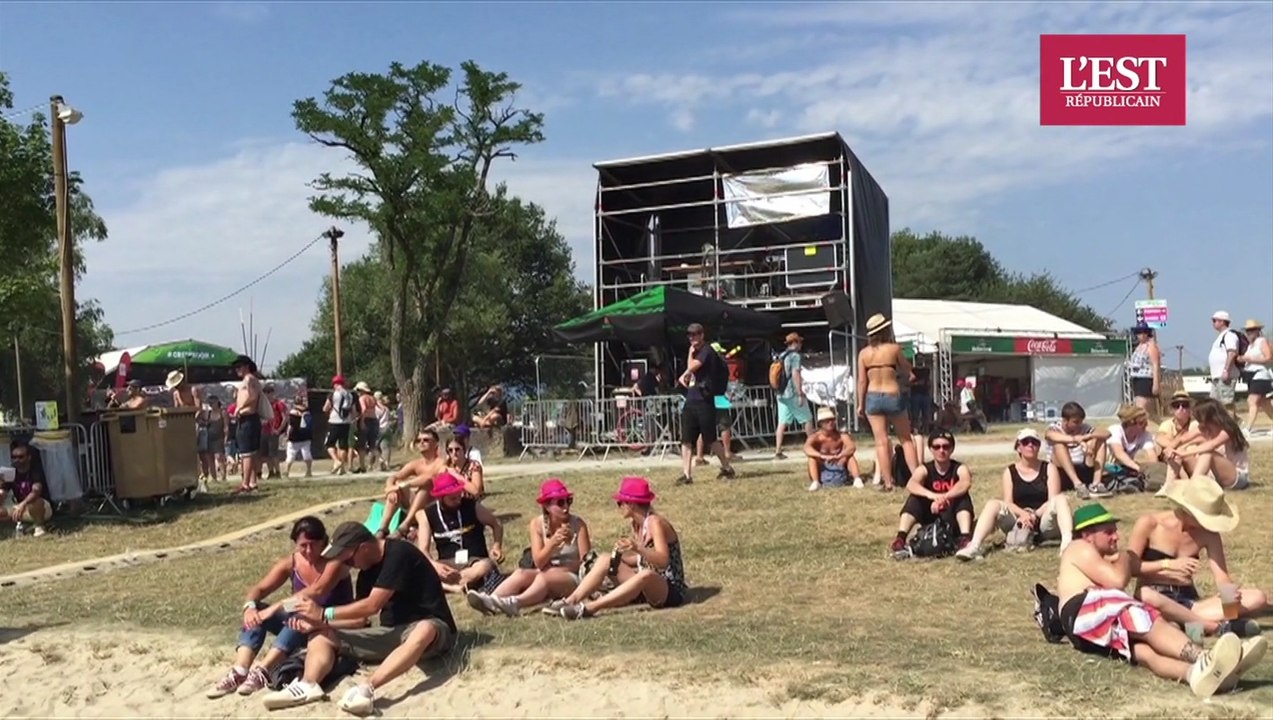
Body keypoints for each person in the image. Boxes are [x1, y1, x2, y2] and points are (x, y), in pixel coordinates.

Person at [1055, 503, 1255, 698]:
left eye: (1115, 530)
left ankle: (1194, 674)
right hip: (1095, 608)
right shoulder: (1080, 547)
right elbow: (1117, 580)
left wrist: (1231, 606)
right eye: (1109, 532)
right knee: (1149, 621)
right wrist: (1130, 556)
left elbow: (1222, 578)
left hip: (1088, 628)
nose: (1116, 536)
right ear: (1086, 535)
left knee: (1143, 653)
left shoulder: (1209, 534)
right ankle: (1206, 654)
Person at [260, 522, 458, 715]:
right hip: (394, 634)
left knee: (423, 629)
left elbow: (373, 604)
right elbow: (361, 619)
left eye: (347, 560)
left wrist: (322, 613)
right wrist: (318, 623)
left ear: (362, 548)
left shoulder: (398, 553)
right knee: (321, 635)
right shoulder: (367, 572)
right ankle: (308, 684)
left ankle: (367, 688)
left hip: (433, 628)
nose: (348, 566)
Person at [207, 517, 354, 698]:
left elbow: (317, 590)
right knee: (260, 611)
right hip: (299, 628)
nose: (308, 550)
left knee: (300, 612)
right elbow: (259, 588)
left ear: (324, 541)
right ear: (295, 544)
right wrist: (250, 607)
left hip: (329, 626)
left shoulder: (335, 563)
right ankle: (240, 670)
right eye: (303, 545)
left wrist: (276, 607)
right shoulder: (291, 563)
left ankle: (264, 669)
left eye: (314, 544)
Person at [1129, 478, 1266, 634]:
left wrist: (1229, 598)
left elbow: (1221, 575)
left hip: (1190, 601)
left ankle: (1188, 622)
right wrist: (1167, 565)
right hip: (1156, 595)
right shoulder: (1150, 523)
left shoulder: (1208, 534)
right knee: (1147, 596)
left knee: (1257, 598)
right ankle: (1208, 626)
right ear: (1187, 510)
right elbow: (1131, 567)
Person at [549, 477, 687, 620]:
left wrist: (637, 547)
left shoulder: (655, 523)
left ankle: (590, 608)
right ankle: (571, 600)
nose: (619, 506)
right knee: (605, 559)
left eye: (620, 503)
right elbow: (644, 559)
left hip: (669, 590)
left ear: (631, 504)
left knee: (645, 574)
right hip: (646, 583)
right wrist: (622, 560)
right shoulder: (637, 524)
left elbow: (663, 561)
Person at [467, 478, 593, 617]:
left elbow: (586, 565)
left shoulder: (578, 524)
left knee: (545, 578)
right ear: (547, 506)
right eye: (560, 502)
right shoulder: (537, 524)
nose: (566, 507)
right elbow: (538, 561)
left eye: (568, 501)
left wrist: (558, 569)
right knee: (521, 573)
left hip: (572, 578)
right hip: (545, 571)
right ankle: (489, 600)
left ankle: (514, 603)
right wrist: (551, 545)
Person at [956, 429, 1073, 561]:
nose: (1030, 445)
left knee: (1061, 499)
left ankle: (1067, 545)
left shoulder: (1049, 468)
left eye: (1034, 442)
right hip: (1017, 522)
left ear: (1039, 446)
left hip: (1043, 522)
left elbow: (1052, 500)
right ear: (1018, 447)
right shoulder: (1010, 471)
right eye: (1026, 442)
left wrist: (1033, 515)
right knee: (993, 504)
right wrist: (1023, 515)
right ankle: (974, 546)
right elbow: (1009, 502)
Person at [416, 470, 505, 594]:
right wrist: (435, 565)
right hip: (447, 564)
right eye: (452, 498)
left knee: (486, 566)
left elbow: (496, 524)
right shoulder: (427, 514)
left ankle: (447, 585)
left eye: (459, 495)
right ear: (441, 497)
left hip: (474, 561)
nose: (458, 500)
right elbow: (423, 550)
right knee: (419, 571)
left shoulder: (472, 506)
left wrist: (496, 546)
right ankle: (460, 586)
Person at [856, 313, 918, 492]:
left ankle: (888, 482)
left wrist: (861, 404)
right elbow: (907, 368)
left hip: (873, 396)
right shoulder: (894, 349)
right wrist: (910, 374)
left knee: (881, 442)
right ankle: (916, 478)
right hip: (892, 394)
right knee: (906, 439)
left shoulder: (864, 354)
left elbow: (862, 381)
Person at [891, 430, 974, 557]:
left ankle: (965, 538)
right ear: (930, 449)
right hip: (931, 514)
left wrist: (944, 497)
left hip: (952, 514)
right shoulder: (925, 469)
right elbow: (911, 484)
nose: (941, 450)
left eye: (946, 447)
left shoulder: (959, 468)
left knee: (963, 497)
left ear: (952, 449)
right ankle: (900, 538)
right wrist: (932, 496)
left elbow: (965, 482)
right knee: (914, 498)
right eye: (937, 447)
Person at [674, 323, 735, 485]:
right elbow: (690, 371)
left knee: (710, 439)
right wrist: (685, 375)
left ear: (702, 335)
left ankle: (727, 467)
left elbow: (692, 366)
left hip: (705, 400)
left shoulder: (707, 351)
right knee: (686, 439)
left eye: (695, 334)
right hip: (691, 400)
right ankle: (686, 475)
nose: (692, 338)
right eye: (690, 335)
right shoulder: (697, 352)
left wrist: (689, 355)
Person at [375, 427, 448, 539]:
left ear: (436, 444)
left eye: (426, 440)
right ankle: (383, 529)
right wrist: (391, 488)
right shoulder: (416, 463)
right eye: (419, 440)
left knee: (426, 486)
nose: (422, 443)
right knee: (396, 487)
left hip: (435, 505)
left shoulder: (442, 462)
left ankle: (405, 526)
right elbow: (393, 477)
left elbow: (429, 478)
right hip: (417, 505)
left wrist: (403, 485)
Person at [1166, 398, 1251, 490]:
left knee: (1207, 453)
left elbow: (1211, 445)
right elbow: (1182, 439)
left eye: (1199, 417)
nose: (1198, 421)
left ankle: (1192, 487)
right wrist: (1170, 448)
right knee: (1178, 451)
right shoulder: (1205, 427)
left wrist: (1185, 453)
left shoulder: (1228, 430)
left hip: (1237, 477)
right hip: (1215, 475)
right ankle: (1168, 487)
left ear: (1209, 416)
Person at [1044, 401, 1111, 497]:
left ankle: (1096, 484)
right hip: (1061, 472)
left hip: (1082, 467)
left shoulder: (1084, 428)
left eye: (1080, 421)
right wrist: (1076, 439)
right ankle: (1077, 484)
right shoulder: (1055, 428)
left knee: (1101, 441)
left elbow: (1107, 433)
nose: (1079, 424)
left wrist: (1089, 438)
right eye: (1075, 422)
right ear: (1065, 421)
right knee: (1059, 445)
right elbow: (1049, 435)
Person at [803, 406, 863, 491]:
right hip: (823, 465)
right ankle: (816, 482)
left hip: (839, 463)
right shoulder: (815, 437)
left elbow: (851, 447)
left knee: (850, 456)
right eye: (827, 421)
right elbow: (806, 448)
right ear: (821, 423)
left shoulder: (841, 435)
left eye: (832, 420)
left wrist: (841, 455)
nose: (830, 423)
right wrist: (822, 456)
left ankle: (857, 479)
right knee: (811, 458)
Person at [1103, 405, 1161, 492]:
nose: (1146, 425)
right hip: (1108, 467)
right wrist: (1138, 468)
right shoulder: (1115, 430)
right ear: (1131, 423)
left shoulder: (1145, 435)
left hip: (1126, 467)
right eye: (1142, 423)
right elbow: (1119, 453)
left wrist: (1154, 471)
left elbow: (1152, 455)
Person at [232, 355, 268, 494]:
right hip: (250, 419)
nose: (237, 370)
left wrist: (239, 407)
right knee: (251, 453)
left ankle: (245, 483)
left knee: (246, 454)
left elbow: (252, 396)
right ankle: (252, 482)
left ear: (246, 366)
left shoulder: (249, 379)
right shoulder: (253, 380)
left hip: (247, 419)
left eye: (239, 367)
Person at [1, 440, 52, 537]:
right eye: (14, 457)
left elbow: (36, 491)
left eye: (20, 457)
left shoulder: (35, 471)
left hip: (41, 508)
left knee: (35, 502)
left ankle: (39, 526)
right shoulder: (10, 472)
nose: (17, 460)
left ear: (29, 457)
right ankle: (21, 525)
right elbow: (3, 493)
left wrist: (22, 504)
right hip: (19, 508)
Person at [773, 332, 811, 459]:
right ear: (794, 343)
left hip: (780, 393)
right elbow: (795, 374)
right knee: (807, 418)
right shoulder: (795, 356)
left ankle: (778, 450)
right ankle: (812, 445)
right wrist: (800, 393)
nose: (801, 344)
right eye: (799, 342)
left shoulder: (781, 355)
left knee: (782, 422)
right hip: (791, 393)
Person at [1237, 318, 1273, 435]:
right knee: (1264, 402)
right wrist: (1242, 359)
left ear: (1258, 331)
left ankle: (1249, 427)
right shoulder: (1250, 346)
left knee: (1252, 400)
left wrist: (1250, 359)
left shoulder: (1262, 341)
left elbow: (1268, 357)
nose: (1249, 333)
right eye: (1248, 331)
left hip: (1261, 374)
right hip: (1251, 375)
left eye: (1252, 330)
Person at [1154, 390, 1198, 480]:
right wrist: (1178, 447)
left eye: (1185, 405)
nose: (1181, 408)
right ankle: (1186, 480)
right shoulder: (1166, 425)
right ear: (1172, 410)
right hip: (1174, 459)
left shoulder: (1195, 424)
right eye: (1176, 406)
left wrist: (1177, 447)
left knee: (1187, 451)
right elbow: (1160, 439)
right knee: (1173, 454)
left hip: (1192, 459)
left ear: (1190, 409)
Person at [1208, 311, 1241, 414]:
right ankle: (1235, 424)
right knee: (1215, 404)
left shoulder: (1229, 335)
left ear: (1222, 321)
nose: (1213, 323)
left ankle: (1231, 427)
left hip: (1226, 376)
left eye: (1215, 320)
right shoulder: (1221, 336)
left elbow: (1232, 353)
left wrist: (1226, 370)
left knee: (1227, 404)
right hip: (1217, 376)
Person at [324, 375, 356, 475]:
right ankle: (342, 468)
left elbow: (325, 408)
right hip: (346, 422)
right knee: (343, 446)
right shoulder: (350, 395)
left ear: (335, 384)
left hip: (334, 421)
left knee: (329, 444)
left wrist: (328, 411)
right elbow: (353, 411)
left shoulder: (333, 394)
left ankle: (336, 461)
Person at [1128, 323, 1161, 414]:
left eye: (1144, 332)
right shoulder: (1138, 347)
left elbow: (1155, 364)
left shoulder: (1151, 346)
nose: (1141, 335)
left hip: (1146, 379)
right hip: (1136, 378)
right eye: (1138, 332)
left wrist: (1156, 383)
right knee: (1139, 407)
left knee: (1142, 408)